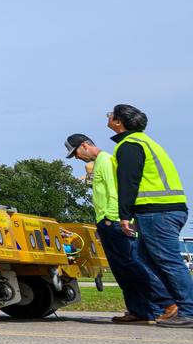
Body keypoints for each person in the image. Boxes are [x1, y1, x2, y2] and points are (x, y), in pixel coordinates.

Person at [106, 104, 193, 328]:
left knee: (168, 261)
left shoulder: (130, 145)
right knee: (146, 259)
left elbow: (129, 182)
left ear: (119, 122)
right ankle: (173, 305)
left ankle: (189, 309)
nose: (108, 117)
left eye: (111, 114)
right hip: (165, 209)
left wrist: (124, 215)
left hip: (157, 211)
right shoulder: (147, 142)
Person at [68, 134, 164, 323]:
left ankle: (162, 305)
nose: (77, 157)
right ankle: (138, 310)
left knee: (133, 265)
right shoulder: (99, 163)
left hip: (112, 220)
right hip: (105, 221)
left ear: (85, 145)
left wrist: (114, 218)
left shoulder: (105, 160)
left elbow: (114, 191)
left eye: (75, 153)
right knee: (122, 269)